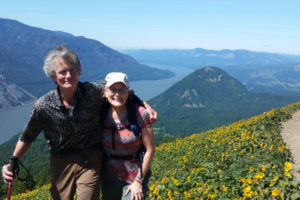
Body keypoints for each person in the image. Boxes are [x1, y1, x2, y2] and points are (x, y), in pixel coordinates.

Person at [1, 46, 157, 200]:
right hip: (61, 159)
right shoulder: (44, 106)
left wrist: (144, 107)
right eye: (62, 72)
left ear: (79, 72)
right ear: (53, 76)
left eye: (72, 70)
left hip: (90, 158)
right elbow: (28, 136)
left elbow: (119, 93)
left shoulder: (92, 92)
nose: (68, 75)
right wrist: (13, 161)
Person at [101, 72, 155, 200]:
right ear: (105, 91)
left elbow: (150, 149)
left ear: (128, 92)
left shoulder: (139, 114)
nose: (117, 94)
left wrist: (138, 181)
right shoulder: (100, 111)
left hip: (135, 174)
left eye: (122, 90)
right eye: (113, 89)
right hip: (109, 175)